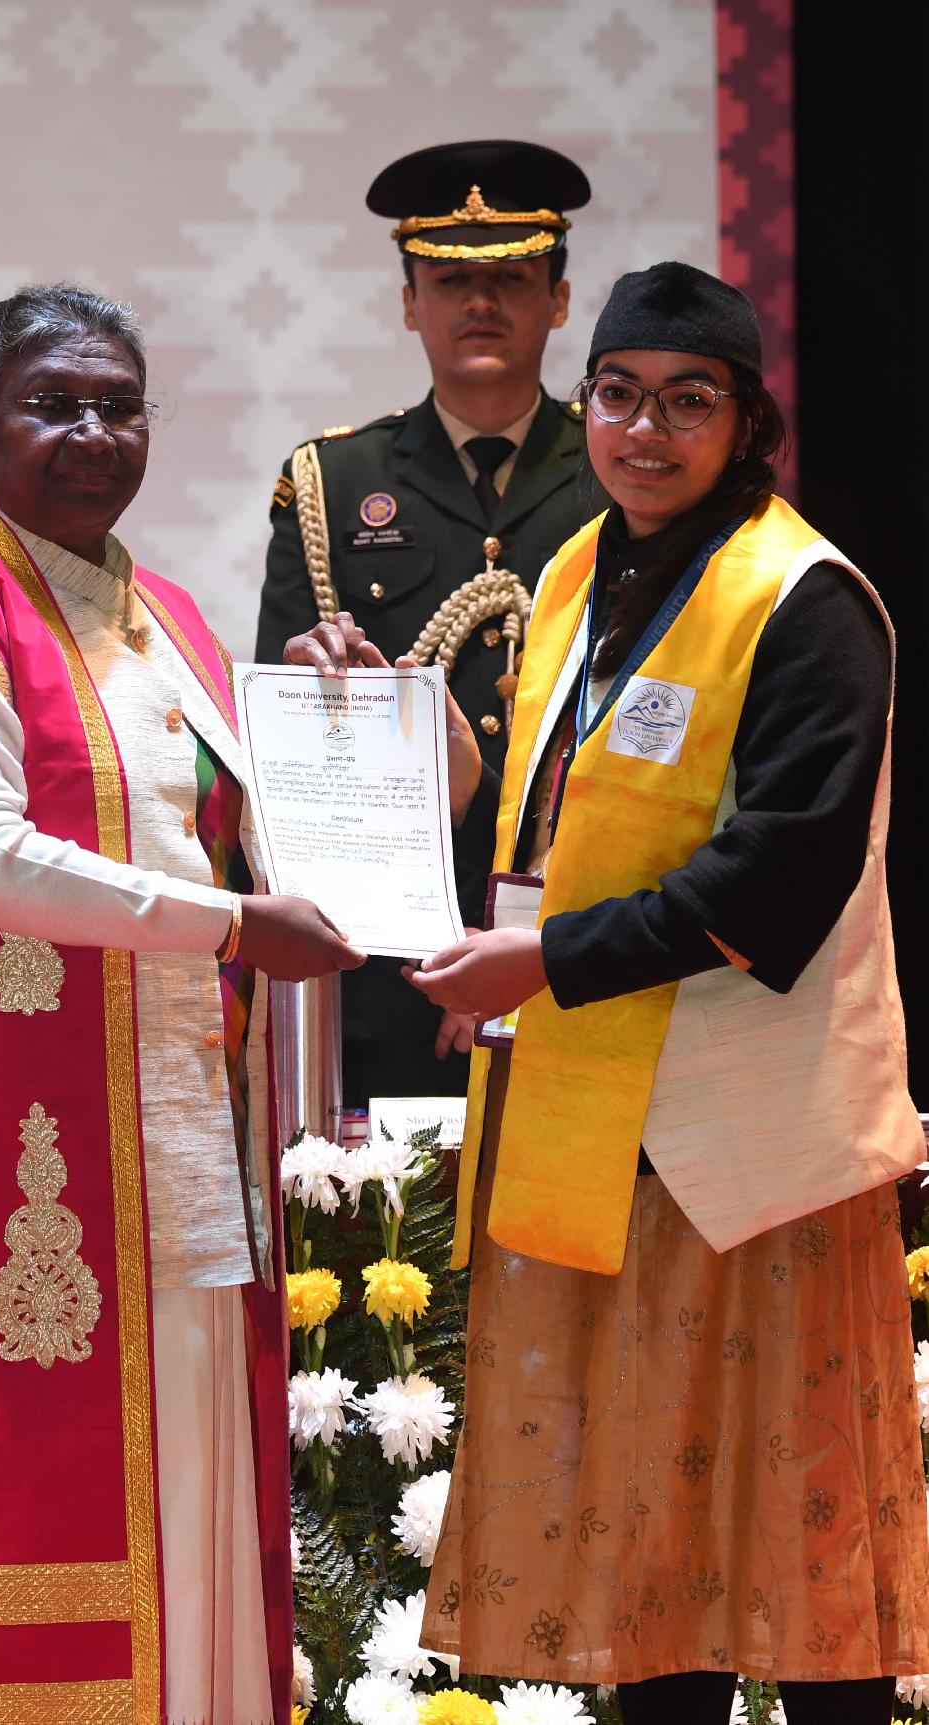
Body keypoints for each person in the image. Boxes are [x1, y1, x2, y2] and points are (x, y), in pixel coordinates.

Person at [291, 263, 929, 1723]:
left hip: (752, 1145)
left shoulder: (805, 599)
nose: (646, 431)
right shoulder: (584, 567)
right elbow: (552, 810)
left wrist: (542, 963)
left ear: (747, 420)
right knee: (647, 1562)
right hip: (597, 1124)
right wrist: (381, 711)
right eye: (621, 396)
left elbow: (778, 877)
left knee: (802, 1561)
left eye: (687, 402)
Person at [0, 284, 363, 1725]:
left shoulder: (169, 621)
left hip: (172, 1161)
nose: (93, 433)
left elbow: (243, 838)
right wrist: (234, 925)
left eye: (120, 405)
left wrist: (351, 722)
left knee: (184, 1524)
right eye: (53, 404)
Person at [256, 138, 595, 1107]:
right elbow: (289, 756)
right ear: (409, 302)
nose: (480, 303)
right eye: (449, 282)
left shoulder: (618, 478)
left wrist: (526, 933)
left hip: (573, 948)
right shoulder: (334, 483)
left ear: (558, 300)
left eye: (512, 280)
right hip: (389, 961)